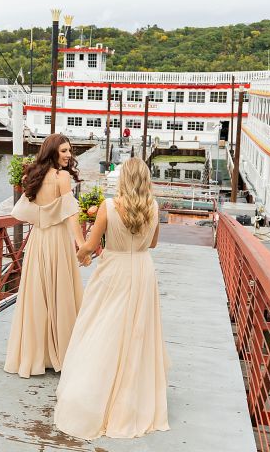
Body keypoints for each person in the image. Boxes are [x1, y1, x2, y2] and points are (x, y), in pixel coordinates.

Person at [54, 158, 169, 439]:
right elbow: (153, 244)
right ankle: (131, 400)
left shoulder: (107, 207)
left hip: (113, 270)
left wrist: (81, 254)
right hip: (141, 270)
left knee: (100, 327)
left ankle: (93, 396)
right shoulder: (154, 207)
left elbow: (91, 247)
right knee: (136, 333)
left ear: (122, 179)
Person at [5, 133, 85, 378]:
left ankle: (36, 355)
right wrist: (82, 244)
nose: (68, 155)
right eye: (63, 151)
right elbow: (71, 214)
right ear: (52, 152)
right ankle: (61, 352)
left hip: (38, 240)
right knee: (60, 294)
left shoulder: (32, 176)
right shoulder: (62, 178)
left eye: (69, 151)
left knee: (37, 296)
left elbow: (21, 211)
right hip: (58, 240)